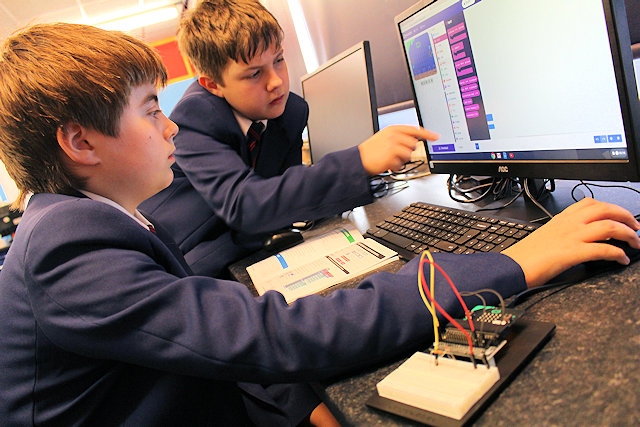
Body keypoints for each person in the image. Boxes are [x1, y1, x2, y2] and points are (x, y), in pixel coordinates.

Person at [0, 22, 639, 427]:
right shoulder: (68, 247)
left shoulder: (90, 221)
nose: (169, 125)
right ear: (81, 143)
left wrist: (295, 399)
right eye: (148, 110)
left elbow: (206, 334)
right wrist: (515, 262)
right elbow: (260, 334)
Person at [139, 0, 422, 278]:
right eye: (254, 73)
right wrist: (358, 162)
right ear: (213, 84)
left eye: (279, 60)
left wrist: (370, 178)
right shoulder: (195, 114)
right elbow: (244, 205)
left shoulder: (292, 111)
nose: (276, 81)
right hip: (186, 257)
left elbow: (287, 191)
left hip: (250, 243)